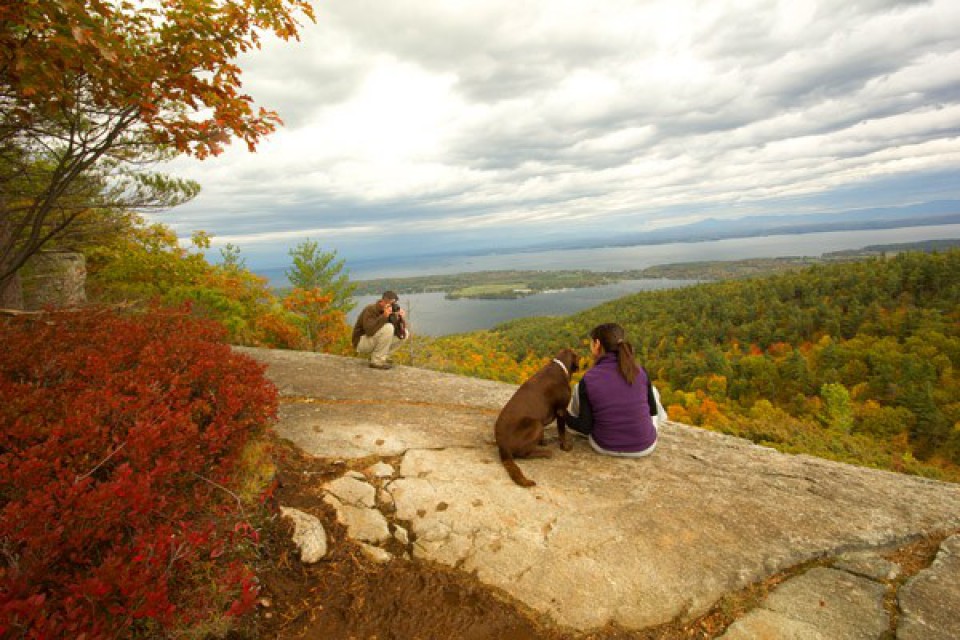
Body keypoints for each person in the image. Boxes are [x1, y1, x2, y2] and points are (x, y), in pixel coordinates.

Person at [566, 323, 661, 457]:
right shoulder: (639, 371)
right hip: (645, 447)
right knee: (653, 391)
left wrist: (562, 414)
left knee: (578, 389)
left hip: (605, 446)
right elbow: (652, 411)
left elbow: (585, 428)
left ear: (597, 344)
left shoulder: (589, 379)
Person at [351, 290, 409, 369]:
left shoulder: (391, 312)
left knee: (404, 334)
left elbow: (397, 333)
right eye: (390, 303)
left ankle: (382, 357)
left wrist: (400, 319)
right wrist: (384, 316)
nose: (392, 306)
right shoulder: (370, 309)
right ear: (383, 302)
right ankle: (376, 361)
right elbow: (369, 331)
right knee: (388, 328)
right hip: (361, 342)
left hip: (372, 340)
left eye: (394, 303)